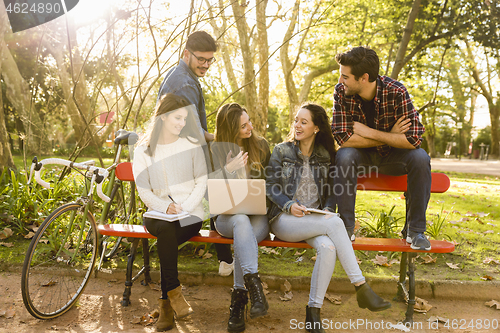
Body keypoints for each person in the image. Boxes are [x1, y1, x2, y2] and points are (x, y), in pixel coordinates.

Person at [266, 103, 391, 333]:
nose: (297, 126)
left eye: (304, 122)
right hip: (284, 220)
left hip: (314, 219)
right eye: (296, 120)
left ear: (316, 128)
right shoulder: (281, 151)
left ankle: (313, 312)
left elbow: (334, 187)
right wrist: (289, 204)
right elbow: (270, 187)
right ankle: (361, 287)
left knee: (328, 248)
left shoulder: (325, 155)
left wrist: (325, 207)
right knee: (335, 222)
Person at [332, 46, 432, 250]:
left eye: (345, 76)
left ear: (364, 77)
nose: (341, 81)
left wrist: (369, 132)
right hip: (360, 158)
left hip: (393, 160)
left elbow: (413, 140)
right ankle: (346, 228)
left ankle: (416, 232)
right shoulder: (341, 92)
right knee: (344, 155)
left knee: (420, 158)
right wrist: (391, 136)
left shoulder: (396, 91)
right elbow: (342, 137)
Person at [157, 30, 234, 274]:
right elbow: (192, 131)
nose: (206, 64)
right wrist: (220, 137)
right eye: (201, 59)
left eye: (210, 60)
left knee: (216, 186)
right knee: (218, 186)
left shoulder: (178, 74)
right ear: (186, 54)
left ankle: (225, 255)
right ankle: (227, 254)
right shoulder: (186, 83)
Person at [133, 94, 208, 332]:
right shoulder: (143, 150)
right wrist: (164, 207)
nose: (181, 123)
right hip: (157, 214)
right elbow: (143, 189)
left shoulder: (191, 145)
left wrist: (184, 207)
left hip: (190, 214)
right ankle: (174, 294)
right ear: (163, 117)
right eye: (177, 118)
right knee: (165, 229)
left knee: (167, 235)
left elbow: (201, 181)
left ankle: (166, 304)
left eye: (184, 119)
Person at [210, 103, 271, 332]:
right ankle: (254, 290)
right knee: (240, 223)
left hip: (257, 216)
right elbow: (208, 194)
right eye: (243, 126)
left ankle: (239, 300)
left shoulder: (261, 145)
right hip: (228, 217)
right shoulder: (215, 150)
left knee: (244, 233)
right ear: (230, 130)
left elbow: (271, 184)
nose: (249, 128)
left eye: (249, 123)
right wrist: (228, 170)